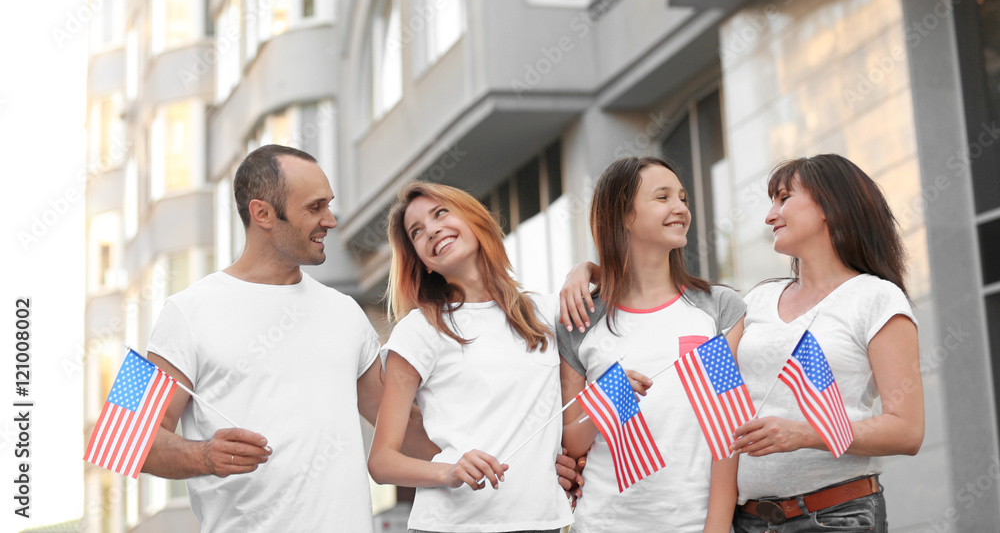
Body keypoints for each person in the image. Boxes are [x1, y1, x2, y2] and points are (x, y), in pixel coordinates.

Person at [141, 144, 439, 532]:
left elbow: (403, 429)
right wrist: (205, 456)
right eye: (314, 208)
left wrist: (520, 463)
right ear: (262, 213)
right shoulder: (182, 312)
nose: (330, 220)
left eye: (328, 205)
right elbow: (125, 434)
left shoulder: (345, 312)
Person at [729, 154, 924, 532]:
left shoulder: (877, 298)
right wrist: (590, 274)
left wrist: (803, 433)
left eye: (783, 198)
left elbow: (908, 430)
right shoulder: (756, 301)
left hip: (837, 517)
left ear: (829, 206)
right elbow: (712, 393)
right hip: (748, 521)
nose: (770, 215)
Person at [368, 181, 575, 533]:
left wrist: (583, 270)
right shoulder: (419, 330)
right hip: (452, 525)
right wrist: (446, 471)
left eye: (441, 213)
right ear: (422, 261)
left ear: (474, 221)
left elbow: (577, 407)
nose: (432, 230)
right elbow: (381, 461)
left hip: (543, 521)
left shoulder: (547, 313)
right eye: (417, 231)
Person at [557, 156, 746, 533]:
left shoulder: (719, 309)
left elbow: (730, 431)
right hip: (600, 522)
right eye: (662, 198)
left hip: (693, 523)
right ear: (624, 216)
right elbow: (572, 440)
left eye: (683, 198)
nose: (680, 208)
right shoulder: (581, 321)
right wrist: (609, 400)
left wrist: (716, 528)